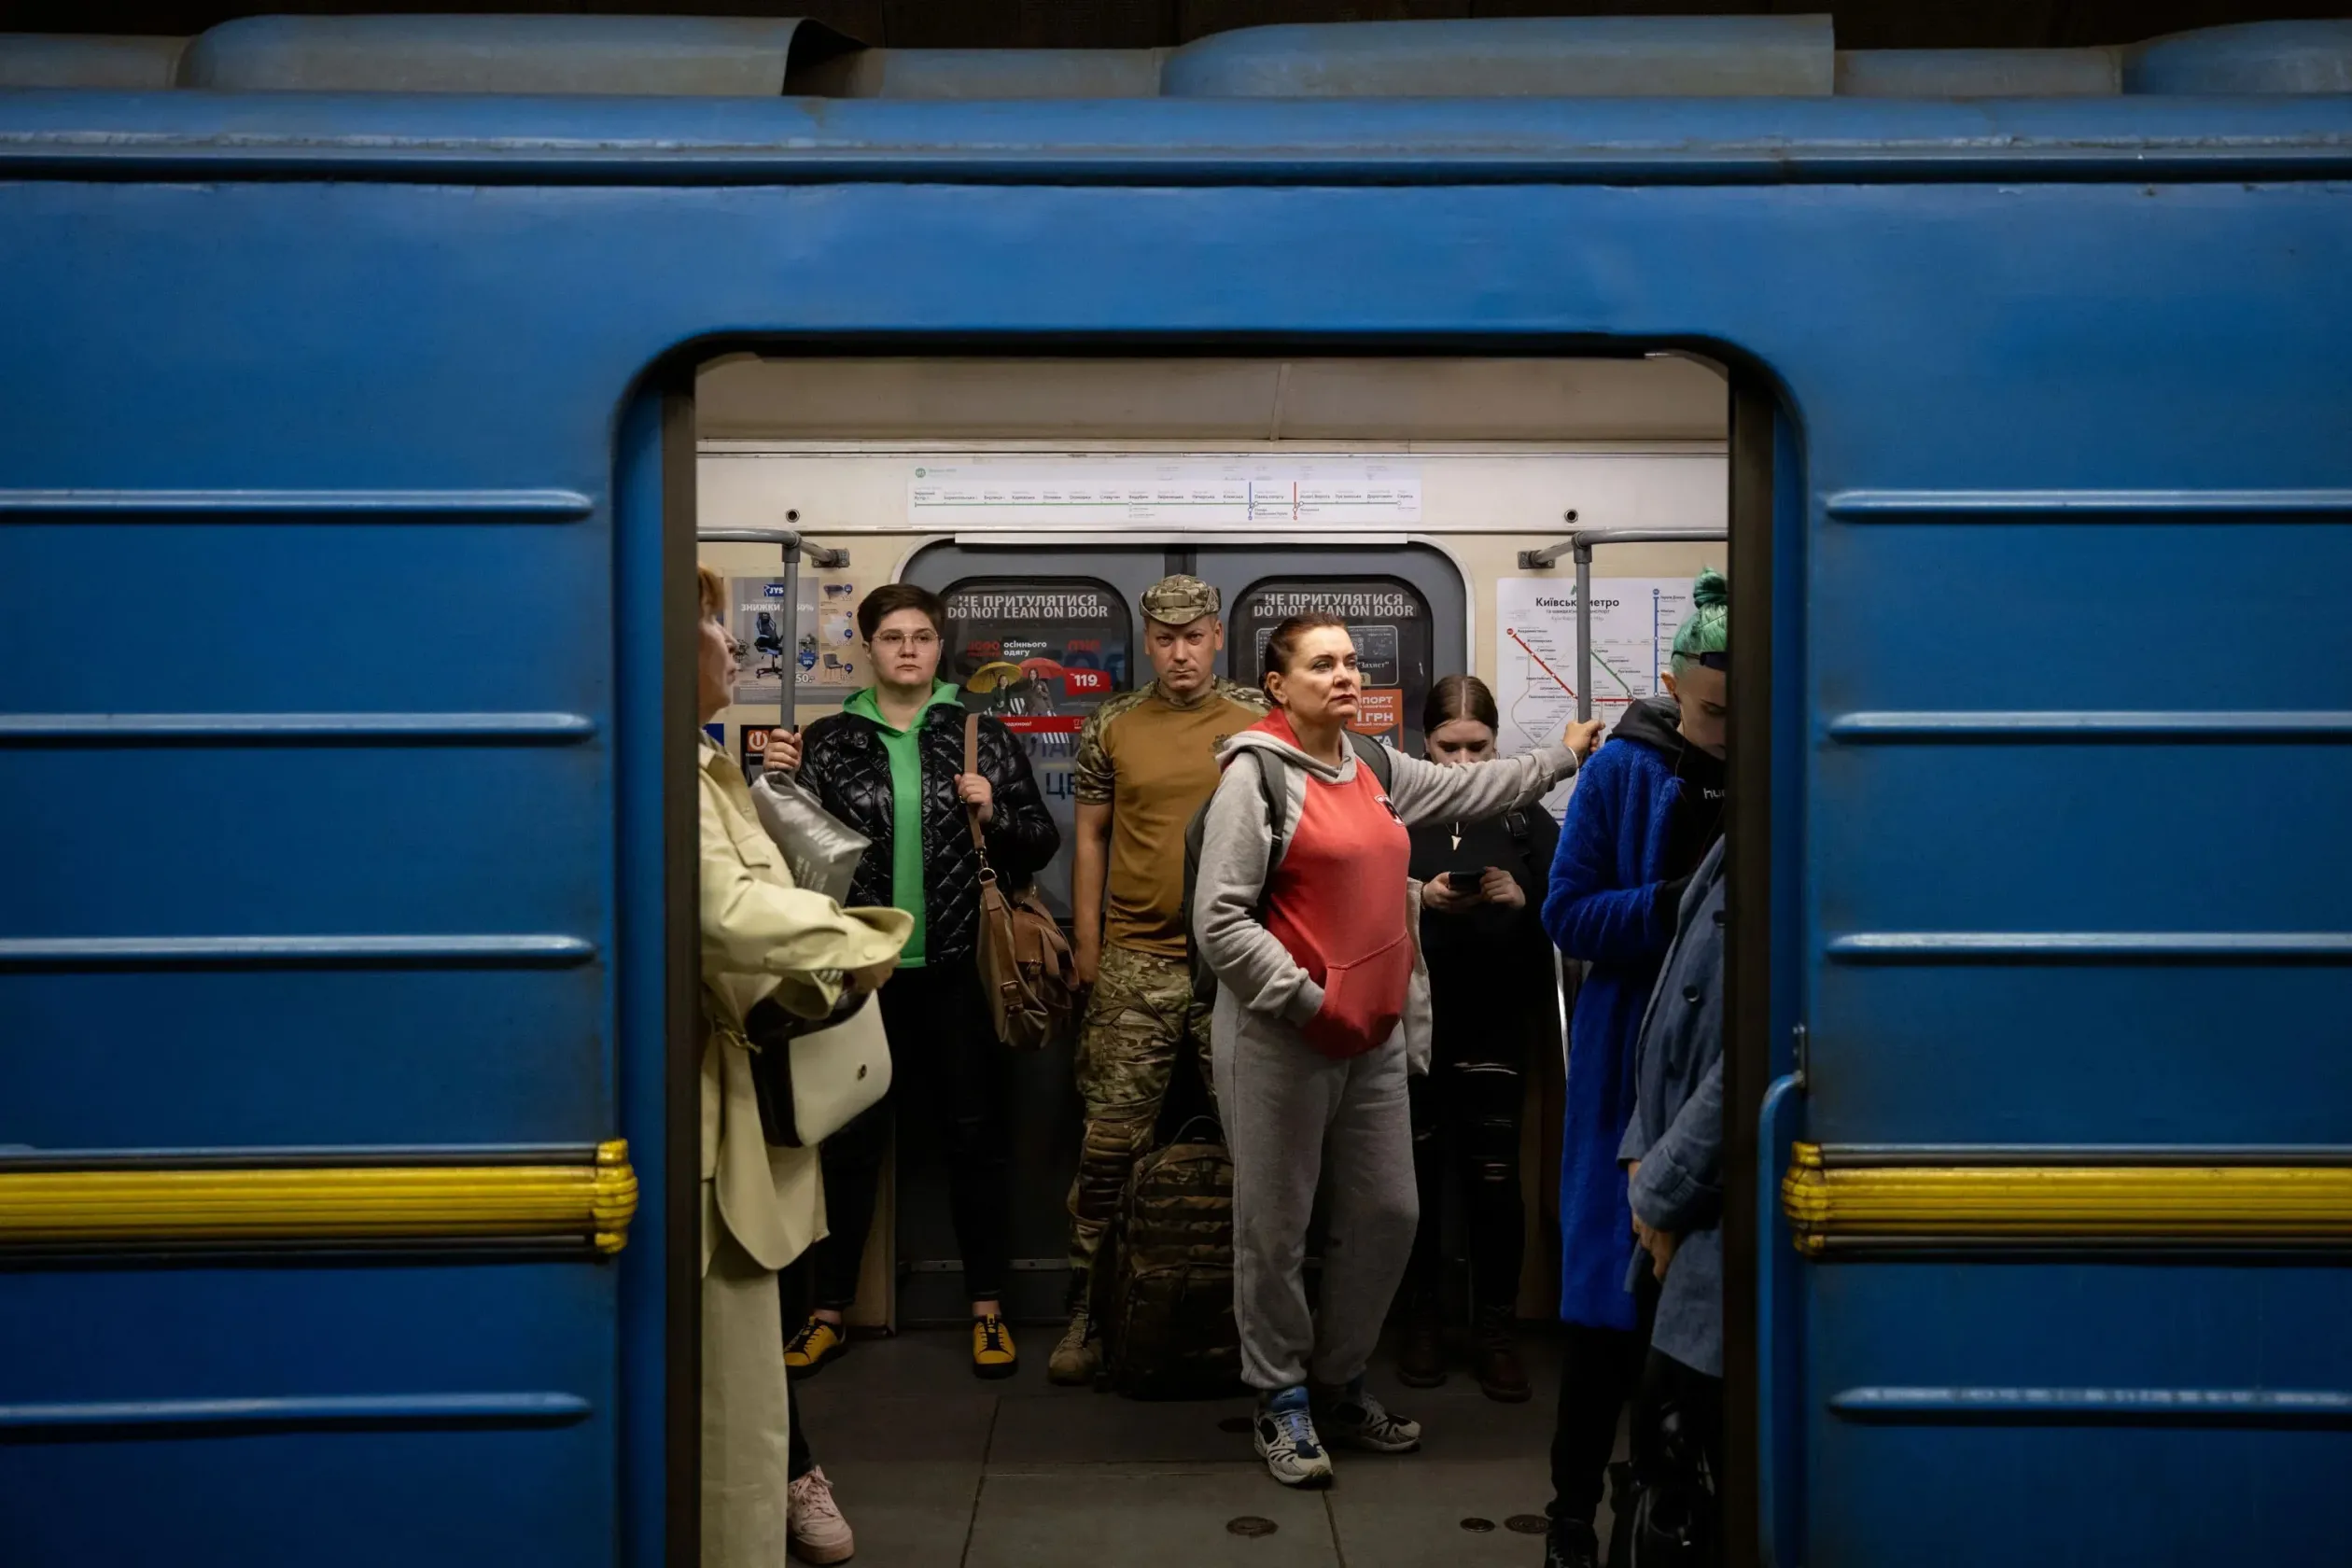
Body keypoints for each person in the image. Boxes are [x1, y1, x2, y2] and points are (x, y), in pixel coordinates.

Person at [1194, 612, 1602, 1489]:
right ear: (1278, 685)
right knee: (1273, 1226)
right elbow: (1220, 921)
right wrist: (1307, 1001)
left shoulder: (1372, 765)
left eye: (1351, 661)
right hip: (1283, 1036)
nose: (1345, 675)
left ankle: (1340, 1380)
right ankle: (1280, 1398)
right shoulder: (1256, 776)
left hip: (1375, 1037)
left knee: (1388, 1215)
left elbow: (1469, 790)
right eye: (1321, 664)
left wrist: (1563, 756)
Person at [768, 581, 1060, 1380]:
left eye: (922, 636)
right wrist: (774, 781)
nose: (908, 649)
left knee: (975, 1142)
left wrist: (994, 810)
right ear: (868, 646)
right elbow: (785, 859)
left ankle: (988, 1309)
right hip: (862, 977)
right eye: (892, 635)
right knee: (851, 1145)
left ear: (940, 647)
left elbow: (1039, 844)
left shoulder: (979, 733)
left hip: (961, 974)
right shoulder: (828, 741)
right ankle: (827, 1312)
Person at [693, 565, 905, 1567]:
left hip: (752, 1077)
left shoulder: (705, 763)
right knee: (733, 1388)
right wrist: (858, 936)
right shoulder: (675, 769)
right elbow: (725, 912)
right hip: (710, 1104)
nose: (733, 647)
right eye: (713, 631)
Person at [1538, 567, 1729, 1568]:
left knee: (1694, 1314)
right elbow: (1564, 911)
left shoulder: (1777, 770)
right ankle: (1570, 1515)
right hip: (1627, 1060)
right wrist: (1666, 909)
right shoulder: (1626, 769)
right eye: (1710, 709)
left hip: (1716, 1064)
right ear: (1673, 682)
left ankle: (1663, 1508)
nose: (1726, 729)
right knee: (1608, 1315)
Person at [1051, 573, 1268, 1385]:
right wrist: (1088, 944)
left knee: (1259, 1149)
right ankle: (1089, 1312)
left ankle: (1260, 1320)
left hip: (1239, 959)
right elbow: (1092, 839)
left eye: (1195, 636)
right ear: (1149, 642)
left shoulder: (1259, 719)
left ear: (1217, 635)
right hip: (1137, 961)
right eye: (1166, 639)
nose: (1181, 653)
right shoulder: (1113, 723)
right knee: (1108, 1148)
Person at [1398, 675, 1561, 1404]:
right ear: (1421, 746)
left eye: (1479, 748)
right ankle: (1422, 1322)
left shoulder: (1524, 818)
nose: (1464, 764)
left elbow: (1572, 916)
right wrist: (1419, 898)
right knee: (1416, 1186)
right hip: (1416, 1029)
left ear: (1499, 746)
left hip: (1499, 1017)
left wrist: (1524, 900)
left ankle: (1496, 1330)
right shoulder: (1397, 813)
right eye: (1447, 748)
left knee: (1496, 1185)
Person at [1600, 834, 1729, 1568]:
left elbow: (1754, 1047)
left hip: (1702, 1198)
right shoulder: (1734, 837)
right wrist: (1644, 1150)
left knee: (1692, 1446)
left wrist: (1662, 1187)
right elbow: (1674, 994)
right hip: (1671, 1180)